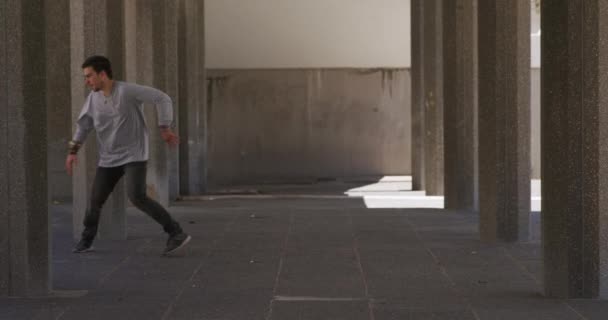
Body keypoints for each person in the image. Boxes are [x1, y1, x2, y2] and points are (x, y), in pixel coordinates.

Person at [66, 55, 191, 256]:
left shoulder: (126, 91)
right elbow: (84, 126)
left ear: (103, 74)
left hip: (134, 155)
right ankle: (86, 241)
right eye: (85, 77)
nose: (87, 81)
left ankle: (176, 233)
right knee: (95, 200)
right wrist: (72, 152)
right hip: (109, 158)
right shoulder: (93, 99)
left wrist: (164, 126)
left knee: (137, 197)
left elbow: (162, 98)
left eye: (89, 76)